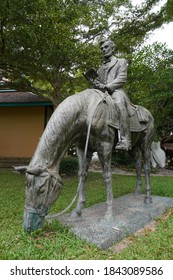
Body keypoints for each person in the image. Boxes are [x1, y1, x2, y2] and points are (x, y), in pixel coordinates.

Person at [93, 38, 133, 151]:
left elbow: (122, 78)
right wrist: (96, 84)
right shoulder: (100, 68)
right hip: (102, 93)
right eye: (102, 48)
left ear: (113, 48)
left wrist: (107, 86)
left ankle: (125, 140)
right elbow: (100, 82)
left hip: (116, 91)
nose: (103, 50)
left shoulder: (121, 61)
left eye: (106, 47)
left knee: (119, 103)